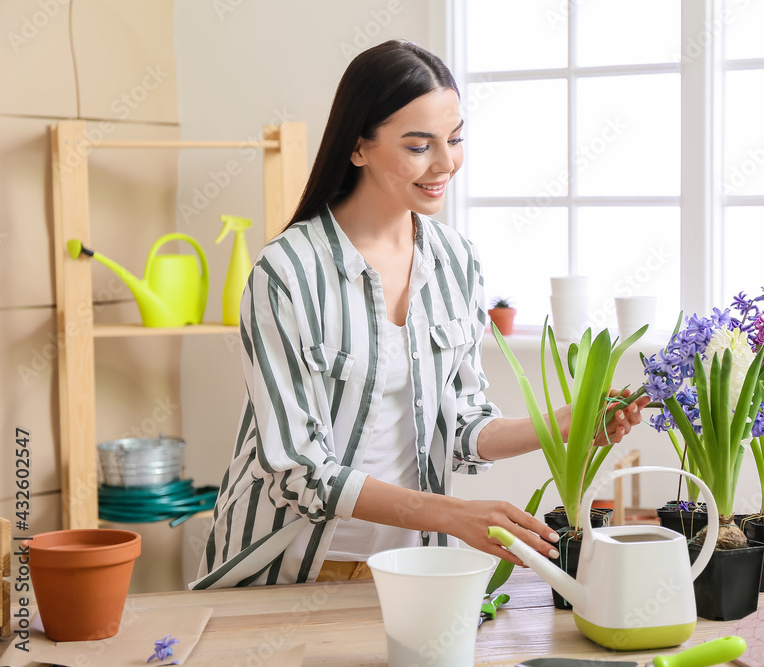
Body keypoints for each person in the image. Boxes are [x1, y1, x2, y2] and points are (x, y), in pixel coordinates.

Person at [191, 40, 648, 589]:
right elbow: (298, 470)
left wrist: (563, 425)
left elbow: (462, 422)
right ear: (358, 147)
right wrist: (450, 515)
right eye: (418, 146)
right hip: (287, 566)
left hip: (406, 567)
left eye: (455, 139)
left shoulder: (457, 260)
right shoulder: (288, 271)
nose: (446, 163)